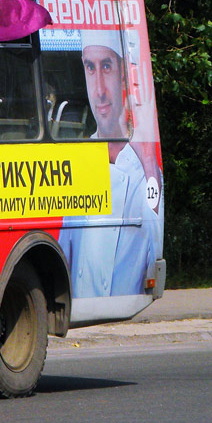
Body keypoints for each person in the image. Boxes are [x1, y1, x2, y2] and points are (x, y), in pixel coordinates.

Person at [58, 29, 159, 298]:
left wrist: (150, 164)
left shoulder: (146, 171)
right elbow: (63, 256)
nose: (99, 90)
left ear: (124, 75)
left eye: (107, 66)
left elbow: (156, 246)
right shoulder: (82, 160)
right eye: (90, 68)